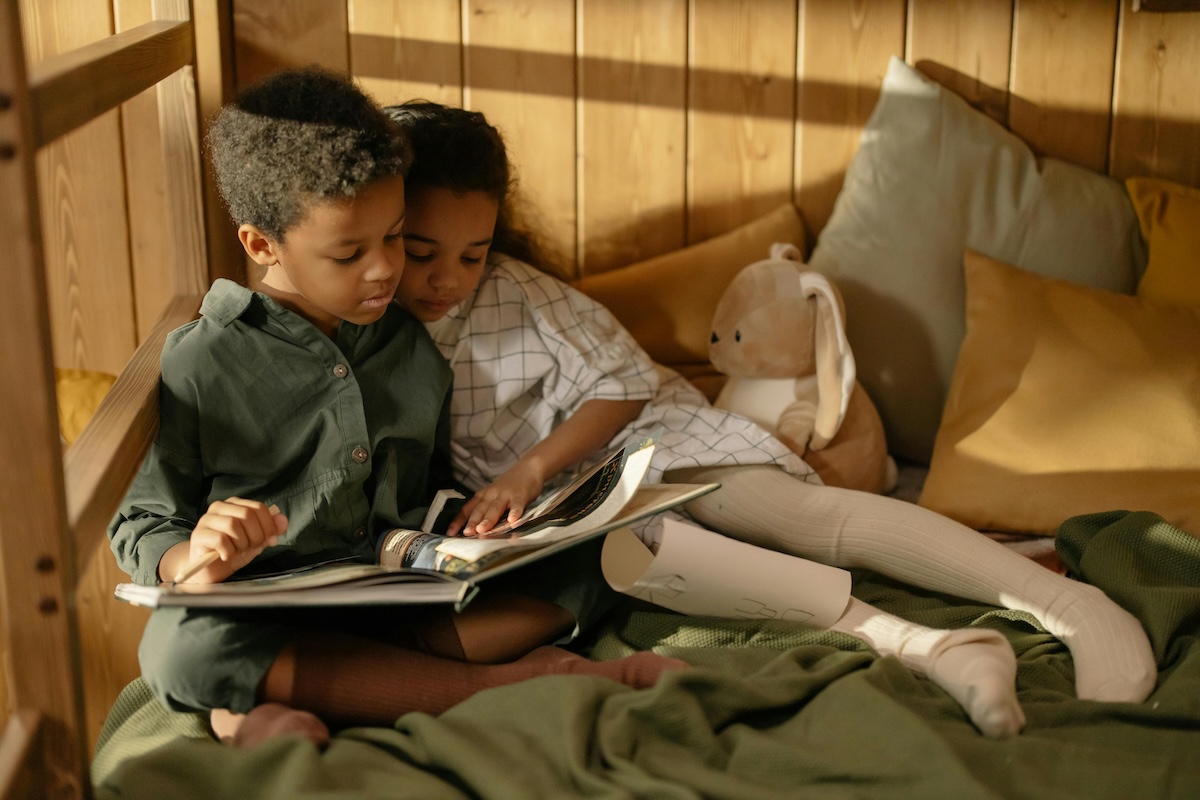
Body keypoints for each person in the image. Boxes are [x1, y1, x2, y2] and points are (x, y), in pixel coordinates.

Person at [385, 100, 1159, 738]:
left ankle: (1071, 606)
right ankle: (945, 652)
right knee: (700, 573)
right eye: (422, 254)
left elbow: (622, 384)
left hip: (649, 441)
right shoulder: (377, 323)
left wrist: (529, 469)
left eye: (472, 254)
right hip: (575, 515)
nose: (448, 279)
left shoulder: (520, 293)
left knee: (799, 519)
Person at [108, 68, 684, 750]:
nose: (384, 270)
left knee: (601, 555)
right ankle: (510, 683)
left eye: (394, 238)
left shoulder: (409, 344)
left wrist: (480, 530)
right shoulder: (201, 361)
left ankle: (279, 705)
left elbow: (430, 479)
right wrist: (192, 557)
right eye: (350, 252)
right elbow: (142, 523)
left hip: (398, 596)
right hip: (268, 606)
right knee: (178, 649)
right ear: (263, 245)